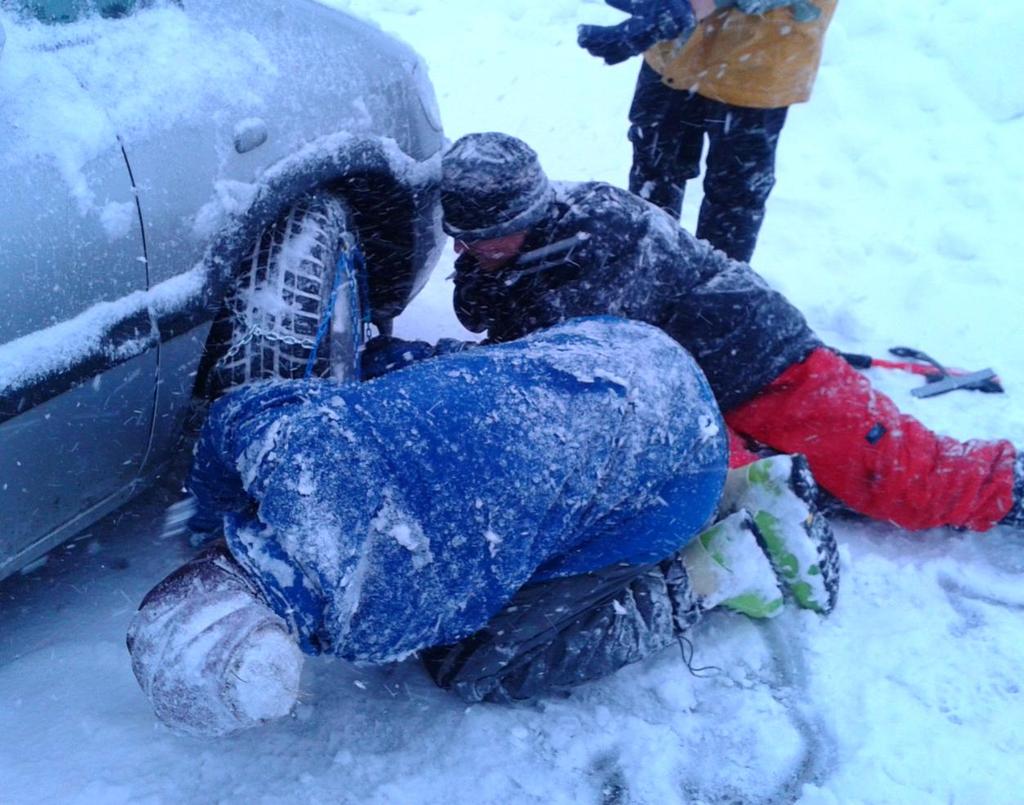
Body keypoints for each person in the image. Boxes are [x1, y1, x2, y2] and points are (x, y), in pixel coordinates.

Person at [127, 317, 839, 736]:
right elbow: (230, 417)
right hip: (619, 351)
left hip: (673, 474)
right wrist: (213, 517)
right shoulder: (286, 446)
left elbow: (476, 599)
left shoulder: (377, 615)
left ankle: (715, 566)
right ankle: (740, 481)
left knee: (478, 666)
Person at [425, 132, 1024, 535]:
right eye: (463, 237)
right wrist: (487, 270)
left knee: (908, 482)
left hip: (767, 368)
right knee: (755, 498)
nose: (465, 250)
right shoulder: (518, 249)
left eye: (482, 238)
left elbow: (573, 376)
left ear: (527, 215)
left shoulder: (604, 240)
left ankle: (1012, 485)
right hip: (691, 390)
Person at [578, 0, 838, 262]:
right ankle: (645, 270)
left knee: (734, 198)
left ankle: (713, 290)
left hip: (759, 59)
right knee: (654, 171)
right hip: (674, 50)